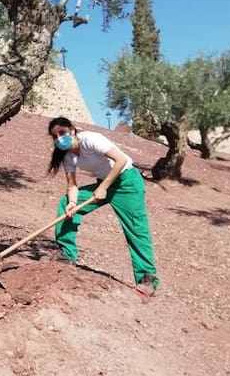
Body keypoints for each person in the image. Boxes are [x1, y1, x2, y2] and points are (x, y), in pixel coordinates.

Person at [48, 116, 159, 296]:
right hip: (105, 184)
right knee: (65, 203)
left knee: (137, 228)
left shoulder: (91, 139)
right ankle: (67, 254)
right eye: (55, 136)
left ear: (72, 130)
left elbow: (121, 160)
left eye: (62, 133)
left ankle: (147, 278)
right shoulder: (67, 156)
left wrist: (103, 187)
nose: (59, 138)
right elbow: (72, 186)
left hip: (127, 182)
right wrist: (74, 204)